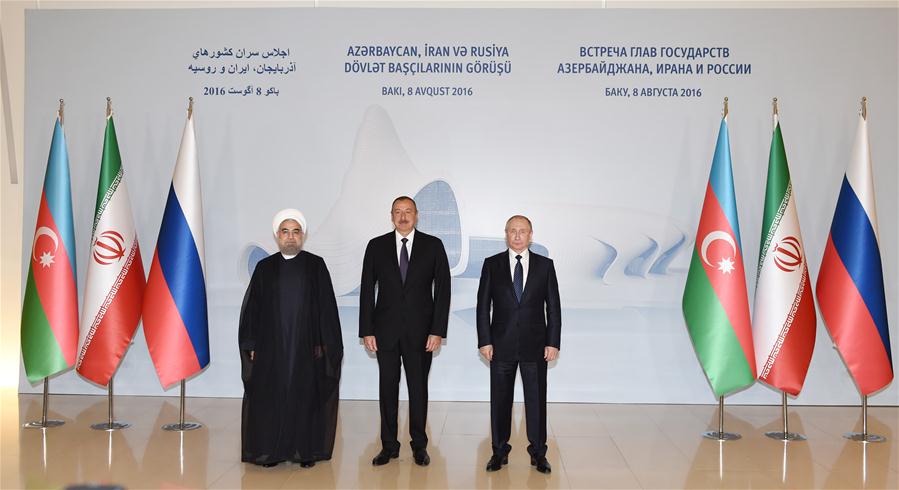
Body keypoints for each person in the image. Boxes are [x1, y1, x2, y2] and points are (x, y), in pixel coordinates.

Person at [239, 209, 343, 468]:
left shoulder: (315, 265)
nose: (290, 237)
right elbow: (252, 308)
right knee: (271, 397)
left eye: (296, 231)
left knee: (304, 396)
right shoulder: (265, 268)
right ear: (277, 235)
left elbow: (326, 308)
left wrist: (324, 343)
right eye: (285, 231)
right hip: (272, 347)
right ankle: (271, 452)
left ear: (303, 235)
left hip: (306, 346)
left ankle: (304, 451)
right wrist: (251, 344)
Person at [359, 196, 451, 467]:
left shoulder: (433, 246)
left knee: (418, 390)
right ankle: (388, 446)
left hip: (421, 334)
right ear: (391, 216)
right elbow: (367, 290)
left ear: (417, 215)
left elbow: (443, 291)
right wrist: (367, 330)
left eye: (407, 212)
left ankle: (419, 446)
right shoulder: (376, 246)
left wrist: (437, 331)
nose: (403, 217)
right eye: (397, 212)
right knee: (387, 389)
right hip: (384, 333)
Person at [476, 215, 561, 474]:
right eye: (512, 231)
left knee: (536, 402)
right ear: (506, 234)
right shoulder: (492, 265)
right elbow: (482, 306)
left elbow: (554, 308)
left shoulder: (545, 266)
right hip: (500, 346)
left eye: (522, 231)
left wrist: (553, 342)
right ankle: (499, 451)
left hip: (536, 346)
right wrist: (485, 340)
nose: (517, 235)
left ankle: (538, 452)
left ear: (531, 235)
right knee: (500, 400)